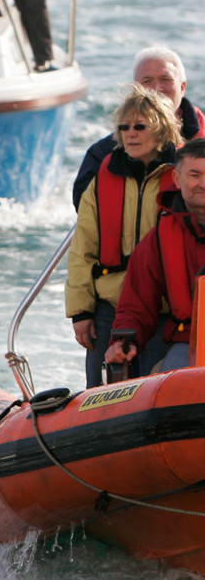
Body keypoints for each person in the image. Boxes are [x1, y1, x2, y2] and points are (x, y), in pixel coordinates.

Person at [65, 86, 182, 387]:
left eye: (140, 126)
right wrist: (80, 311)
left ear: (162, 129)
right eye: (124, 127)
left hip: (164, 308)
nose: (130, 133)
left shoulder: (184, 179)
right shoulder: (102, 179)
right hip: (109, 305)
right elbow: (83, 248)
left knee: (157, 390)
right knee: (98, 390)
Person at [106, 139, 205, 376]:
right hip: (189, 344)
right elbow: (137, 301)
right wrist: (121, 341)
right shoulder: (161, 236)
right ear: (177, 179)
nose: (203, 184)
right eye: (195, 175)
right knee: (173, 392)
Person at [72, 47, 205, 208]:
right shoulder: (102, 153)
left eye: (165, 79)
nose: (157, 88)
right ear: (135, 90)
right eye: (147, 81)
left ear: (183, 87)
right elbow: (83, 207)